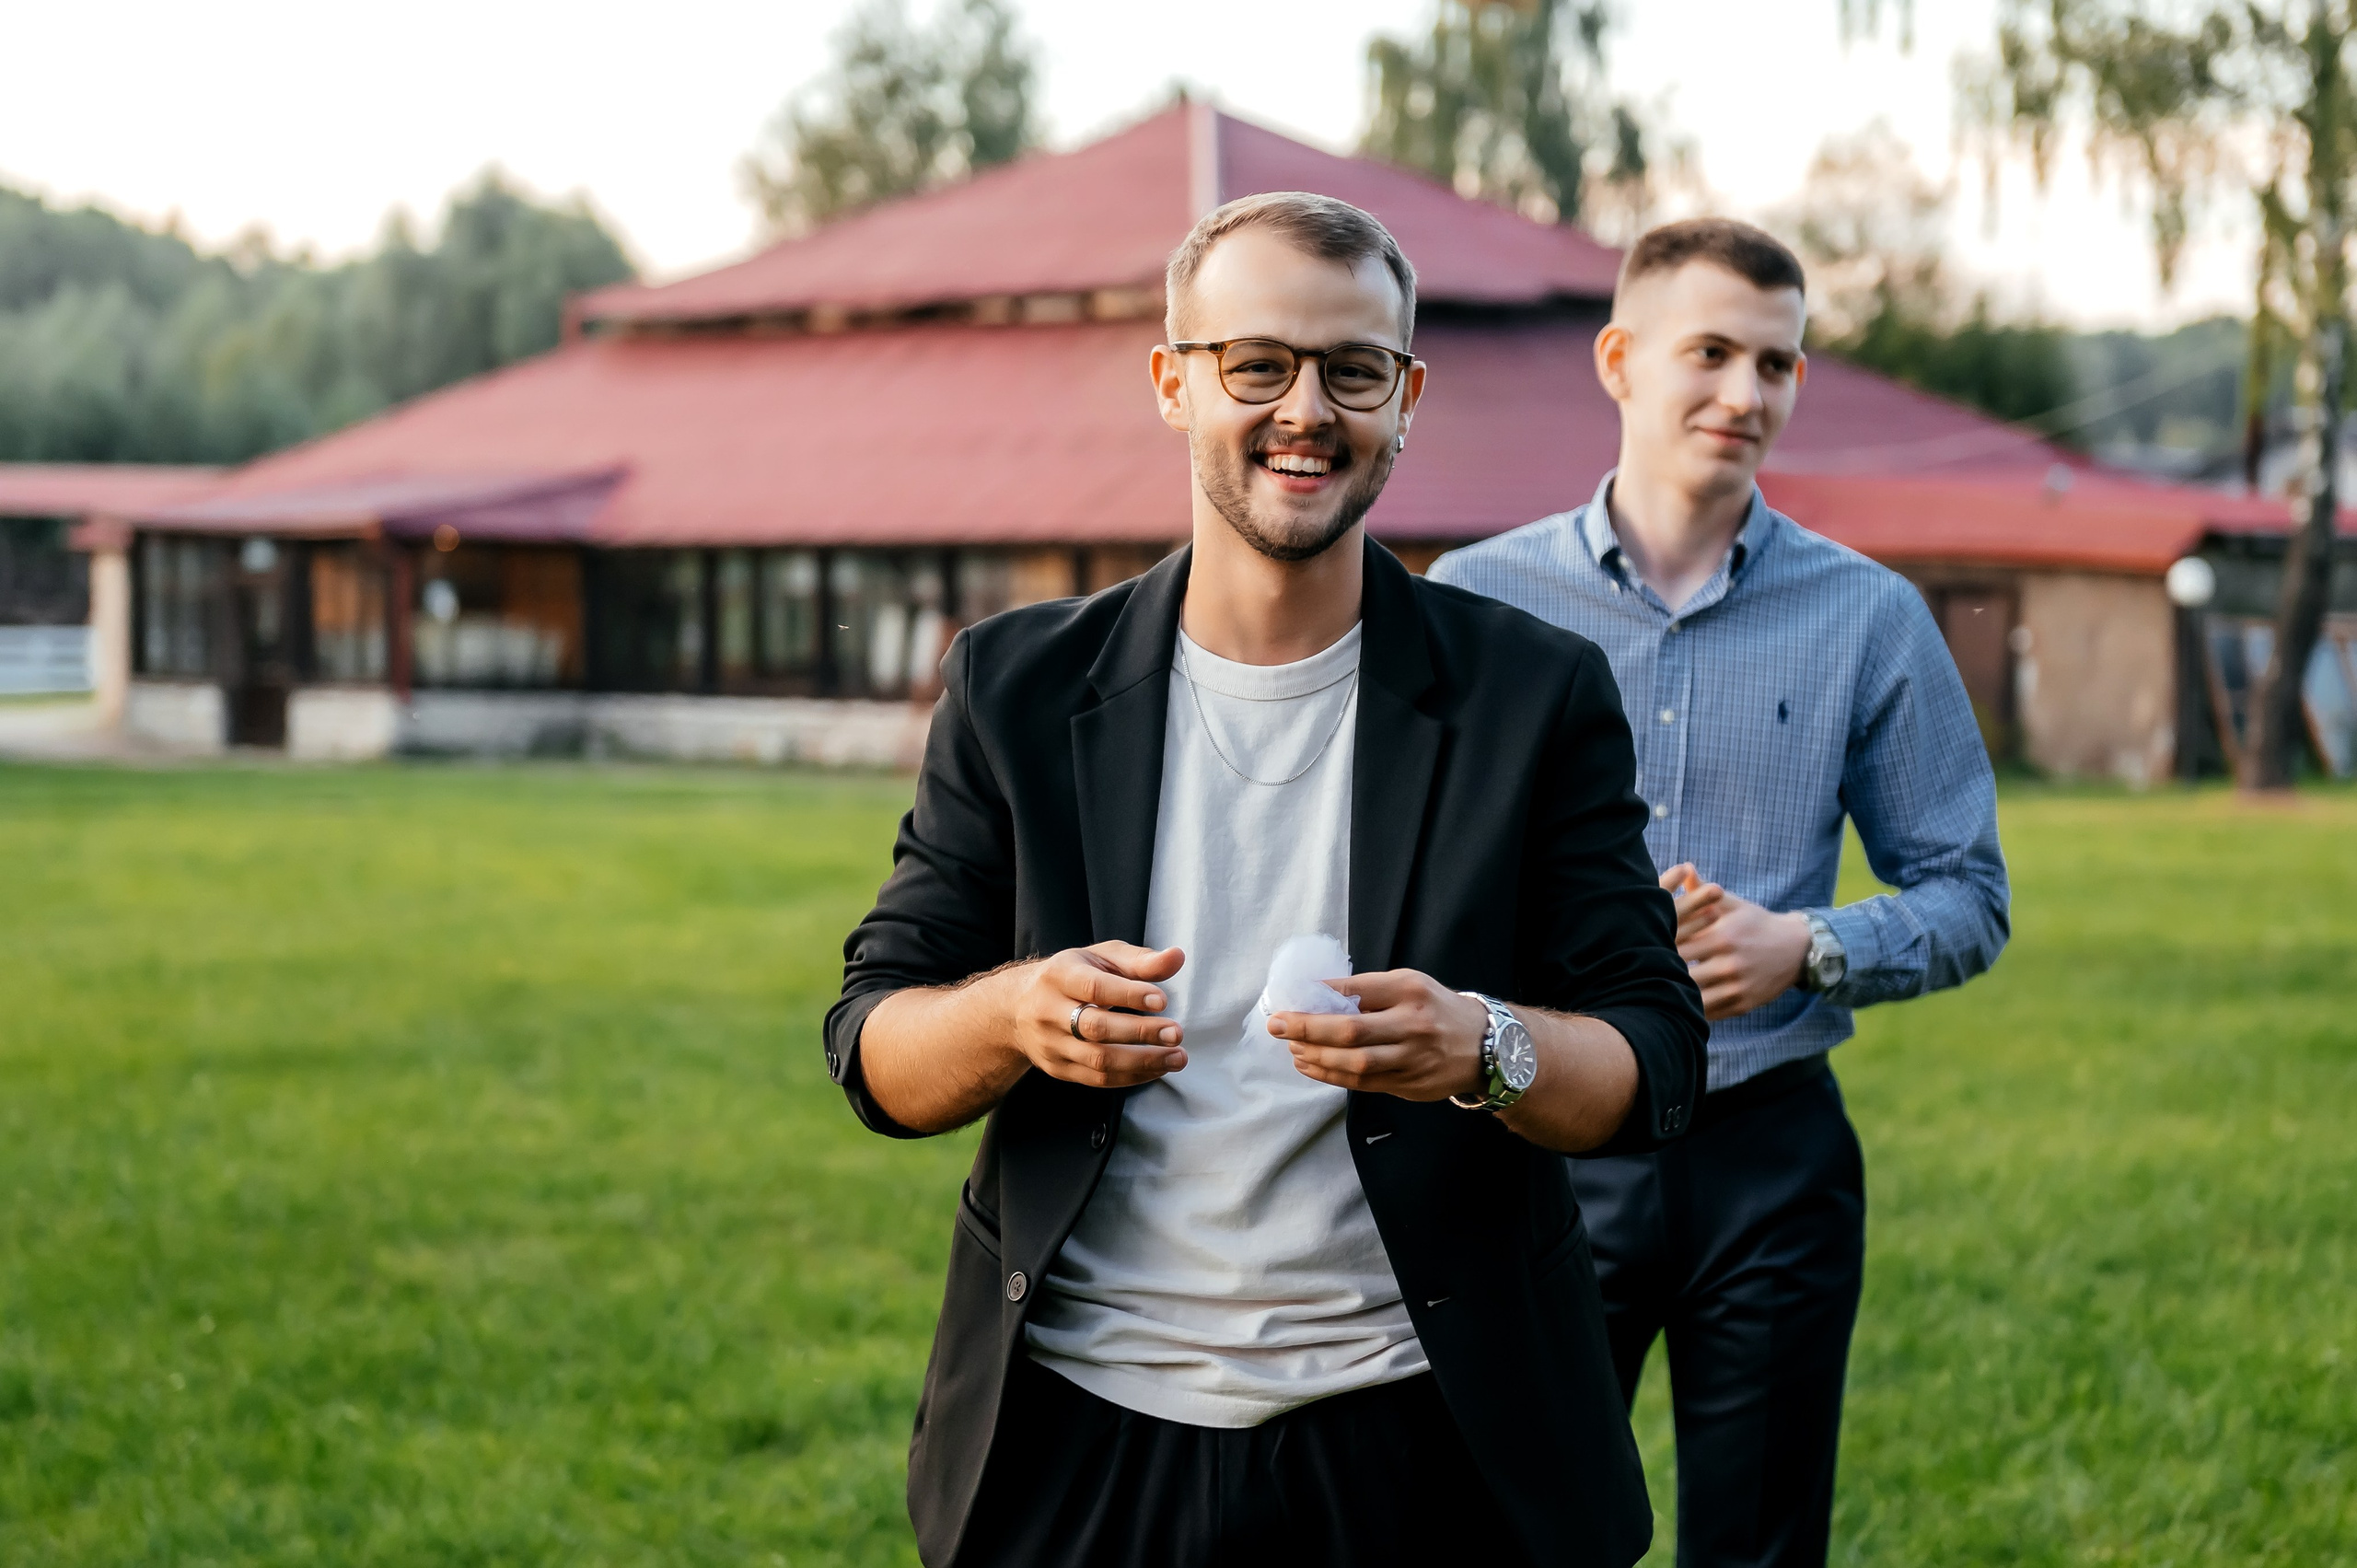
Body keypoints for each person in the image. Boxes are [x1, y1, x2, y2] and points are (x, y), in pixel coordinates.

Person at [823, 192, 1709, 1568]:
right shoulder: (1016, 685)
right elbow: (874, 1048)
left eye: (1353, 370)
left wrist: (1483, 1046)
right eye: (1258, 365)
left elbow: (1657, 1061)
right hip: (1082, 1438)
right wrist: (1013, 1017)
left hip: (1427, 1439)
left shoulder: (1533, 696)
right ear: (1176, 382)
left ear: (1406, 398)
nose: (1307, 408)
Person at [1429, 218, 2011, 1568]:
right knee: (1505, 1532)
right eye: (1711, 354)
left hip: (1774, 1163)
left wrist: (1804, 945)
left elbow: (1970, 892)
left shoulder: (1869, 615)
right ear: (1619, 360)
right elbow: (1415, 880)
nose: (1748, 397)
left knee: (1759, 1549)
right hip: (1541, 1141)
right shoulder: (1476, 602)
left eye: (1779, 364)